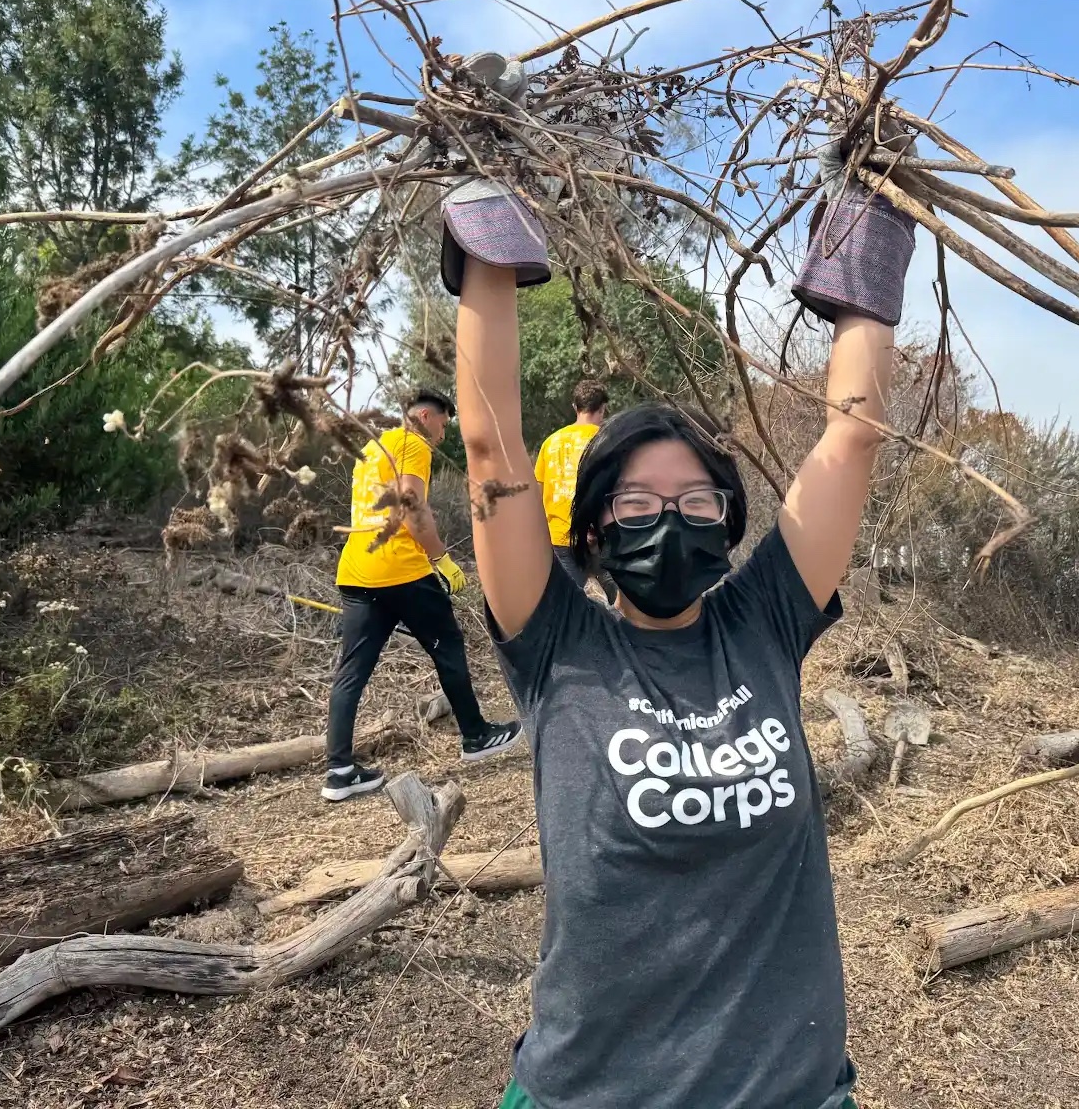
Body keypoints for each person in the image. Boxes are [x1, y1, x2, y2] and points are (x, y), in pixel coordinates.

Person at [444, 57, 913, 1109]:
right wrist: (484, 200)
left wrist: (870, 212)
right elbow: (490, 447)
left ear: (730, 521)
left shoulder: (761, 621)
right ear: (596, 530)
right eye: (639, 507)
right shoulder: (556, 641)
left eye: (698, 504)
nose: (670, 522)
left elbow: (849, 444)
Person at [322, 389, 523, 801]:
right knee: (447, 646)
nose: (443, 434)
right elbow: (413, 506)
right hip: (400, 568)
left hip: (358, 570)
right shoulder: (413, 444)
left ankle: (339, 771)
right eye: (444, 424)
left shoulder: (374, 445)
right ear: (427, 416)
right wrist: (442, 560)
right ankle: (476, 735)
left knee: (351, 672)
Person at [534, 379, 617, 599]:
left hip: (560, 537)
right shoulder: (607, 441)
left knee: (576, 602)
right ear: (602, 408)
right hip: (600, 535)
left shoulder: (550, 443)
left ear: (575, 407)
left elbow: (538, 493)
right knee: (618, 598)